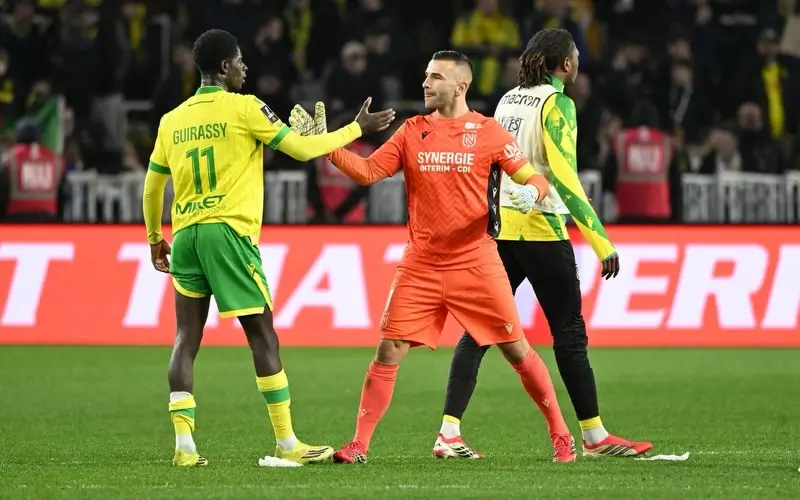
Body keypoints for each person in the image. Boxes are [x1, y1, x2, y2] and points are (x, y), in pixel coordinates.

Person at [290, 50, 577, 464]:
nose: (425, 83)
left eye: (436, 77)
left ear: (461, 86)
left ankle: (561, 435)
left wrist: (531, 191)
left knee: (516, 350)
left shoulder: (489, 131)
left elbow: (535, 178)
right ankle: (358, 445)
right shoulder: (412, 130)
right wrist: (326, 147)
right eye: (425, 75)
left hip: (476, 262)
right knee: (388, 351)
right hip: (421, 264)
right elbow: (369, 172)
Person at [141, 29, 394, 468]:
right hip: (228, 234)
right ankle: (287, 441)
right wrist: (356, 129)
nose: (245, 68)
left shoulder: (171, 119)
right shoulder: (244, 107)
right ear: (223, 67)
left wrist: (153, 238)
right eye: (239, 61)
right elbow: (299, 149)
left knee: (186, 339)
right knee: (263, 336)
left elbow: (151, 187)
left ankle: (184, 447)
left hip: (185, 236)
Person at [433, 28, 652, 460]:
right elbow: (565, 178)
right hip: (540, 227)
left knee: (478, 330)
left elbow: (494, 163)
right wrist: (600, 240)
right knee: (568, 333)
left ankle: (449, 432)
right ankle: (593, 436)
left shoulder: (507, 100)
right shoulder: (559, 104)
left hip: (501, 228)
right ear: (567, 64)